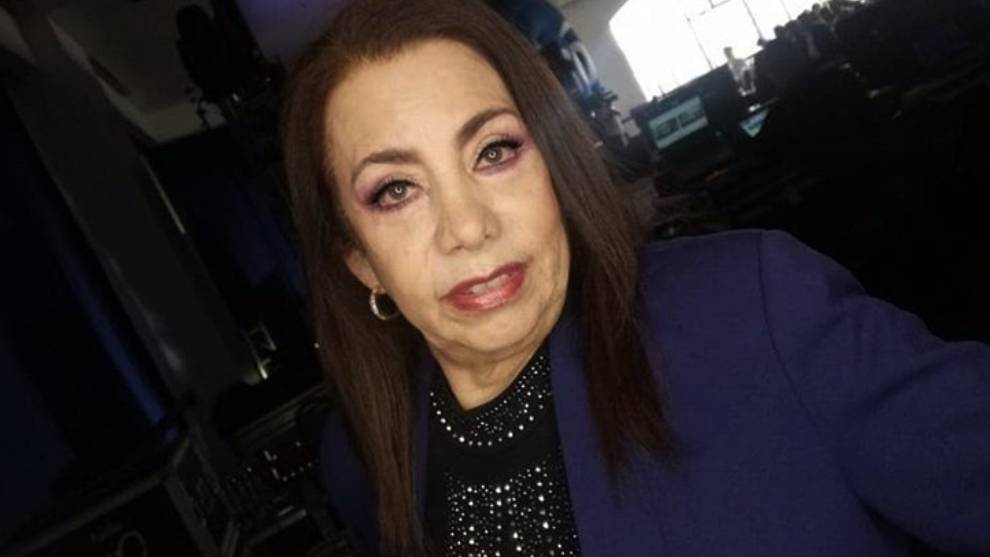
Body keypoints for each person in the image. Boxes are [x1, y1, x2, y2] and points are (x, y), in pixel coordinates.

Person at [280, 1, 990, 555]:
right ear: (358, 258)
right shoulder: (361, 458)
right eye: (396, 190)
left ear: (554, 166)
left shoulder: (753, 309)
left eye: (494, 151)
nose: (467, 227)